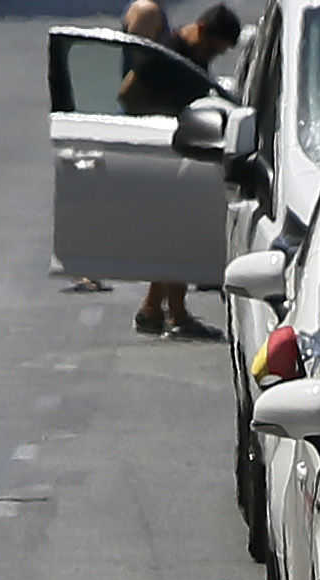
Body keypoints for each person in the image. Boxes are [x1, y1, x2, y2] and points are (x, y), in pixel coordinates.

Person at [121, 0, 209, 338]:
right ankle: (173, 313)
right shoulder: (148, 14)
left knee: (172, 231)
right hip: (160, 144)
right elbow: (132, 82)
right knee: (174, 230)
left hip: (169, 143)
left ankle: (156, 309)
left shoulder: (167, 33)